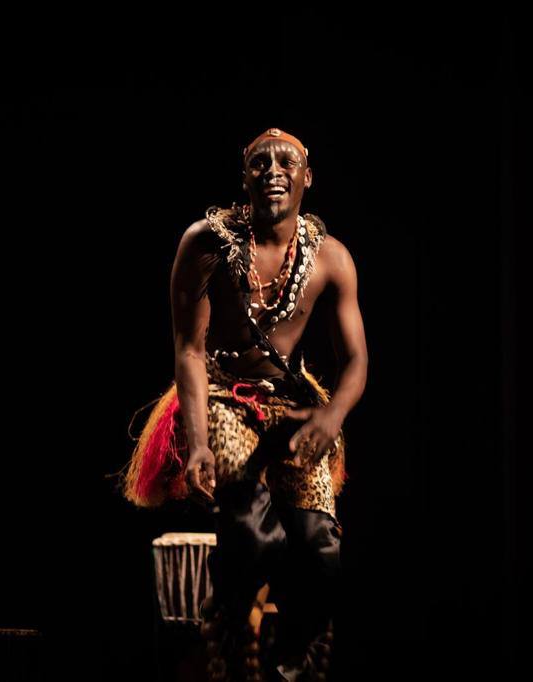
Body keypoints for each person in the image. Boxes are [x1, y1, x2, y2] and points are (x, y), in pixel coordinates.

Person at [123, 129, 368, 680]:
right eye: (260, 162)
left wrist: (330, 416)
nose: (273, 170)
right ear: (244, 177)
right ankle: (229, 617)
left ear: (309, 176)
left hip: (294, 404)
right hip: (221, 395)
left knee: (321, 550)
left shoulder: (332, 259)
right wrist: (200, 442)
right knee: (256, 533)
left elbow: (356, 363)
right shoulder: (204, 243)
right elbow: (188, 348)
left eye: (288, 162)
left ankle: (289, 653)